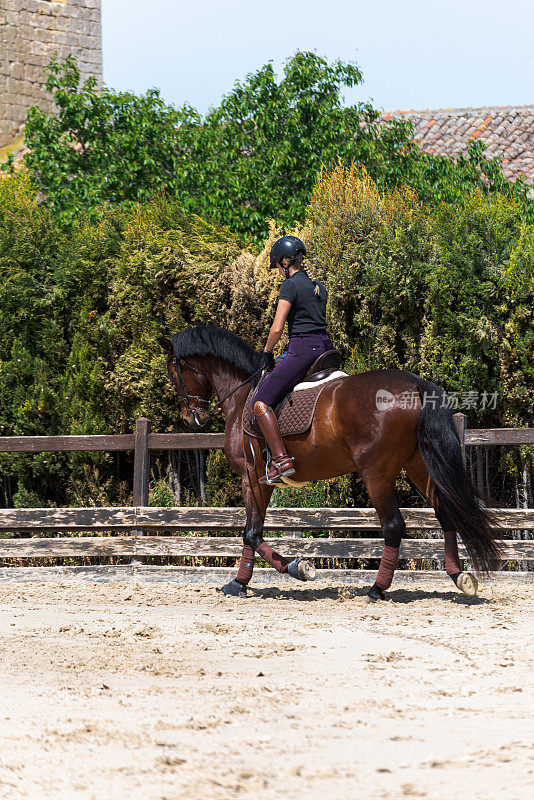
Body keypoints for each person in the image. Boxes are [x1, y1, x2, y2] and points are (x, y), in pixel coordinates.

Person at [253, 235, 334, 484]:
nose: (278, 271)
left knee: (260, 402)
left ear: (284, 263)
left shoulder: (289, 285)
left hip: (302, 350)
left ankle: (280, 461)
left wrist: (267, 351)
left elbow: (278, 328)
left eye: (277, 266)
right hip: (326, 349)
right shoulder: (319, 285)